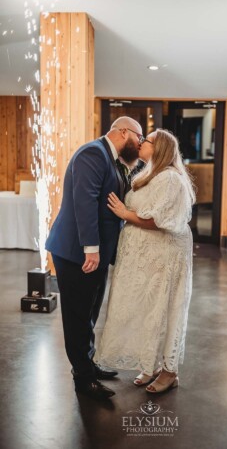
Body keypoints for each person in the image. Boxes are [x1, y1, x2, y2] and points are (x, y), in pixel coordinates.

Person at [46, 117, 143, 401]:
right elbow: (84, 200)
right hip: (78, 252)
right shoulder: (93, 153)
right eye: (139, 137)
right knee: (77, 316)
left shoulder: (112, 159)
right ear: (123, 132)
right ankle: (83, 380)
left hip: (94, 253)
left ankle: (88, 363)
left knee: (89, 312)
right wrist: (91, 248)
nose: (140, 143)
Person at [98, 129, 195, 393]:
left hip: (163, 255)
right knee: (148, 309)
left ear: (160, 148)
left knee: (164, 309)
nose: (140, 143)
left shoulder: (171, 179)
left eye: (146, 140)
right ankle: (150, 365)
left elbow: (157, 221)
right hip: (147, 257)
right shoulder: (149, 173)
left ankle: (169, 372)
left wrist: (124, 213)